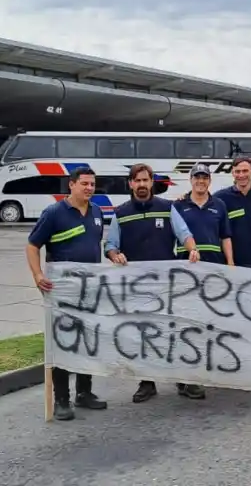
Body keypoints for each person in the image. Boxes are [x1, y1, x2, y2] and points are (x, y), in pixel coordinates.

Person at [103, 163, 200, 404]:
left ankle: (183, 379)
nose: (142, 185)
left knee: (173, 331)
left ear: (151, 182)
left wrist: (192, 249)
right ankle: (147, 382)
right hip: (136, 286)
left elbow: (184, 233)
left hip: (167, 284)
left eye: (145, 180)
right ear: (131, 184)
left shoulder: (167, 208)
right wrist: (114, 255)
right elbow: (111, 245)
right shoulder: (121, 213)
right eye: (137, 181)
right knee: (142, 334)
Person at [25, 166, 109, 421]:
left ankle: (84, 392)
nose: (89, 188)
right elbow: (32, 245)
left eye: (92, 184)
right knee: (63, 342)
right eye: (84, 184)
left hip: (90, 290)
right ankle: (62, 400)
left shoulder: (97, 212)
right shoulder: (54, 213)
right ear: (71, 185)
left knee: (87, 341)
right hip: (62, 290)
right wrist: (38, 275)